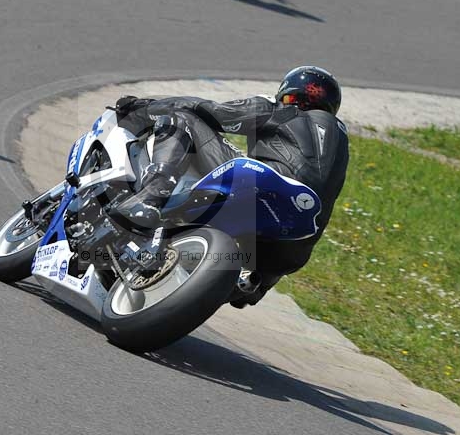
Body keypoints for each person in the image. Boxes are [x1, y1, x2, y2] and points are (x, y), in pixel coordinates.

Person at [111, 66, 350, 307]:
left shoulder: (282, 111)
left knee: (182, 118)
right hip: (294, 248)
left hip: (261, 188)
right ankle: (257, 282)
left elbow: (207, 110)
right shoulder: (341, 152)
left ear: (287, 95)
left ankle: (150, 198)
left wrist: (139, 108)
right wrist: (266, 280)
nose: (300, 104)